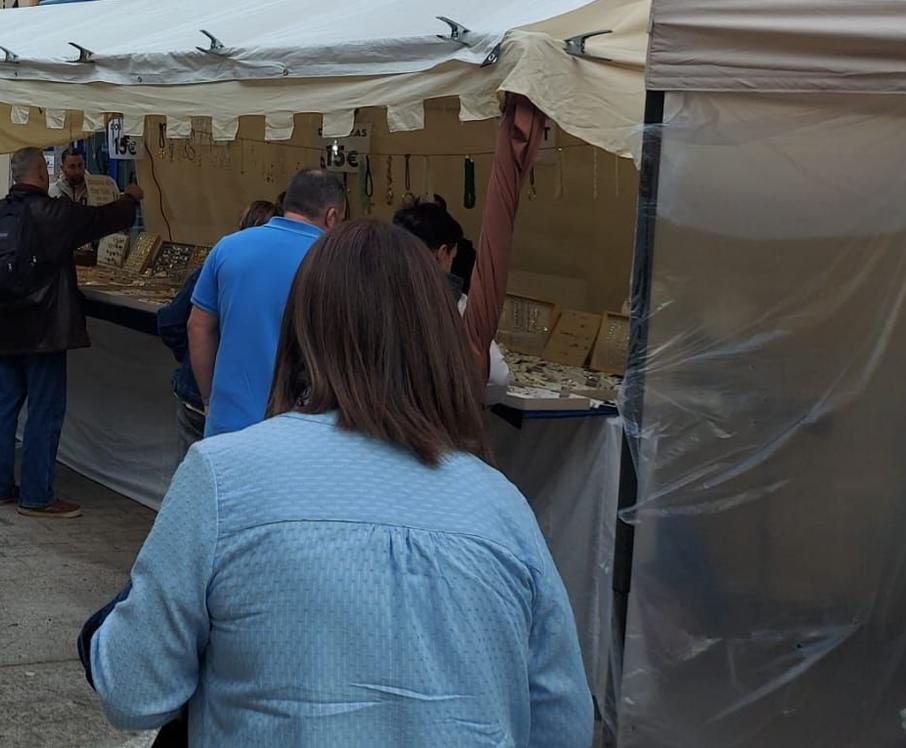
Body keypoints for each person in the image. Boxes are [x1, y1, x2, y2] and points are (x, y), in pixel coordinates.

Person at [83, 221, 592, 747]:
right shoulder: (501, 504)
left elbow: (134, 691)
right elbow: (562, 723)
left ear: (302, 329)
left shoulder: (225, 476)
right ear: (439, 338)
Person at [0, 146, 143, 519]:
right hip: (44, 327)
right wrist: (130, 199)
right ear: (40, 171)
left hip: (4, 324)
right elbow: (100, 220)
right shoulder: (52, 212)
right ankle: (37, 495)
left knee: (4, 408)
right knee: (44, 411)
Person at [187, 167, 346, 438]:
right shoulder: (338, 263)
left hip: (229, 422)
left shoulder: (227, 247)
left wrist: (210, 400)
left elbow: (197, 327)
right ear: (332, 216)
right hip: (302, 428)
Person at [394, 195, 511, 405]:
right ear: (442, 252)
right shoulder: (452, 303)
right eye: (452, 255)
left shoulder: (362, 289)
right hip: (428, 422)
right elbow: (497, 378)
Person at [53, 144, 125, 264]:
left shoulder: (101, 187)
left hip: (96, 254)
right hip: (62, 256)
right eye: (72, 167)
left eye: (80, 165)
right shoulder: (53, 192)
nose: (77, 171)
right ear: (62, 168)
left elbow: (113, 218)